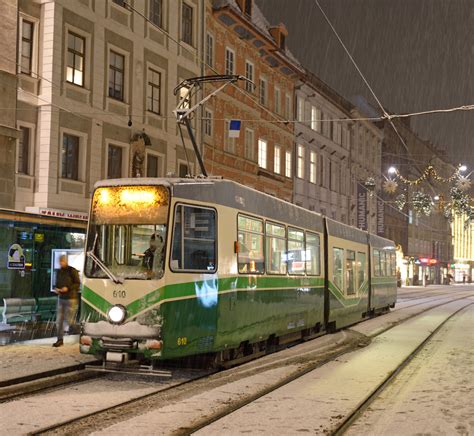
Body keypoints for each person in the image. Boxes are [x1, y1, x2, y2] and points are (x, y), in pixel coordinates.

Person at [53, 255, 80, 347]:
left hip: (71, 298)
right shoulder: (59, 272)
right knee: (59, 321)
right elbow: (57, 283)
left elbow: (77, 284)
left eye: (62, 261)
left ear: (66, 261)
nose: (61, 263)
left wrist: (67, 288)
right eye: (60, 261)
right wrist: (57, 289)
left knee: (69, 320)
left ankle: (80, 330)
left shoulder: (72, 271)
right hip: (61, 298)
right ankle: (60, 339)